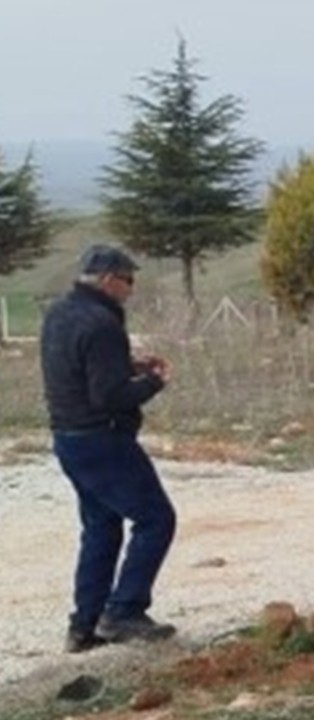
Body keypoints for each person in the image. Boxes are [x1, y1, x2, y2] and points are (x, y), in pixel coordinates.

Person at [40, 245, 177, 653]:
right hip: (103, 438)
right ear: (106, 280)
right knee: (156, 519)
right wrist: (154, 382)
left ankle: (84, 626)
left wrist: (128, 364)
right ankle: (124, 612)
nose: (131, 289)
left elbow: (78, 368)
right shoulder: (101, 323)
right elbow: (110, 396)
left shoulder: (60, 313)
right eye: (128, 280)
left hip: (69, 438)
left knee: (100, 527)